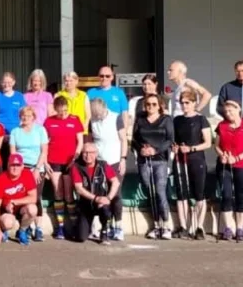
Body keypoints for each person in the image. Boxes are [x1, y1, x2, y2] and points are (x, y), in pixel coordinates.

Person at [172, 89, 212, 240]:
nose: (184, 106)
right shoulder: (177, 120)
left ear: (194, 103)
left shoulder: (201, 119)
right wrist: (175, 147)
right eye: (182, 103)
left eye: (187, 103)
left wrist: (191, 148)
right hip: (180, 159)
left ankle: (199, 227)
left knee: (199, 193)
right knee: (182, 193)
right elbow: (173, 140)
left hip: (196, 159)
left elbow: (208, 142)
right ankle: (183, 225)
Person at [132, 94, 173, 240]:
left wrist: (155, 150)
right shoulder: (140, 119)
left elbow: (169, 140)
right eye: (148, 104)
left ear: (160, 105)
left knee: (160, 191)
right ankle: (156, 225)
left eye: (154, 104)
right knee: (150, 190)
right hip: (144, 160)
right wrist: (141, 149)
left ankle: (166, 225)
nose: (151, 107)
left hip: (160, 160)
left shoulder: (166, 119)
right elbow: (134, 139)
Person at [44, 96, 85, 240]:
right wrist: (45, 162)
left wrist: (76, 157)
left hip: (70, 162)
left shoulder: (75, 119)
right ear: (55, 109)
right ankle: (60, 227)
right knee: (57, 193)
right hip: (53, 161)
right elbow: (44, 144)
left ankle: (73, 226)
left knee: (69, 194)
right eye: (60, 112)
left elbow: (80, 141)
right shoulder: (49, 121)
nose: (63, 114)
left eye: (66, 111)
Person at [87, 98, 127, 241]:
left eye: (99, 113)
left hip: (115, 161)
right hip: (100, 162)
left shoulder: (116, 117)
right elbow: (91, 140)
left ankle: (119, 226)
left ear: (104, 108)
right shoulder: (92, 120)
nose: (97, 116)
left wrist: (123, 158)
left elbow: (123, 139)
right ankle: (104, 226)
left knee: (115, 194)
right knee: (99, 193)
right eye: (94, 114)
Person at [215, 100, 243, 242]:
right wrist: (222, 155)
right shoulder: (222, 125)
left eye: (230, 111)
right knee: (226, 195)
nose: (228, 114)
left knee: (241, 197)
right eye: (226, 112)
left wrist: (237, 158)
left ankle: (240, 228)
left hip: (242, 165)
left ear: (238, 110)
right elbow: (217, 145)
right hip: (225, 165)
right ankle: (228, 228)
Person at [9, 105, 49, 241]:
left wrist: (37, 169)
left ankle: (38, 228)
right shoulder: (15, 131)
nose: (26, 118)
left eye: (29, 115)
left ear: (33, 117)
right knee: (22, 197)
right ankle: (25, 228)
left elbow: (44, 151)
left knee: (36, 197)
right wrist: (17, 170)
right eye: (23, 116)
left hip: (36, 168)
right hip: (20, 169)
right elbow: (13, 153)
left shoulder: (40, 130)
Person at [72, 142, 122, 245]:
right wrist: (95, 198)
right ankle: (88, 228)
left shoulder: (103, 165)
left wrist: (108, 198)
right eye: (85, 152)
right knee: (81, 238)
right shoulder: (76, 166)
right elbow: (79, 188)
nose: (88, 155)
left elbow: (116, 182)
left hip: (102, 203)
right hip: (86, 204)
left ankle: (104, 231)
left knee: (107, 206)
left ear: (96, 153)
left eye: (91, 152)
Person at [0, 153, 39, 245]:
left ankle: (22, 231)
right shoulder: (1, 179)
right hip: (6, 210)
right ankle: (4, 230)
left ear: (22, 166)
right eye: (12, 165)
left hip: (21, 209)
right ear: (8, 165)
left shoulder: (27, 174)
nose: (15, 168)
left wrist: (14, 202)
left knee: (33, 209)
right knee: (7, 223)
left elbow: (33, 198)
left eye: (18, 165)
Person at [87, 66, 130, 133]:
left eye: (107, 76)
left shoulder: (119, 92)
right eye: (102, 76)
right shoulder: (90, 93)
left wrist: (125, 132)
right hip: (96, 130)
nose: (104, 78)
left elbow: (124, 114)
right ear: (98, 77)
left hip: (115, 130)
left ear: (112, 77)